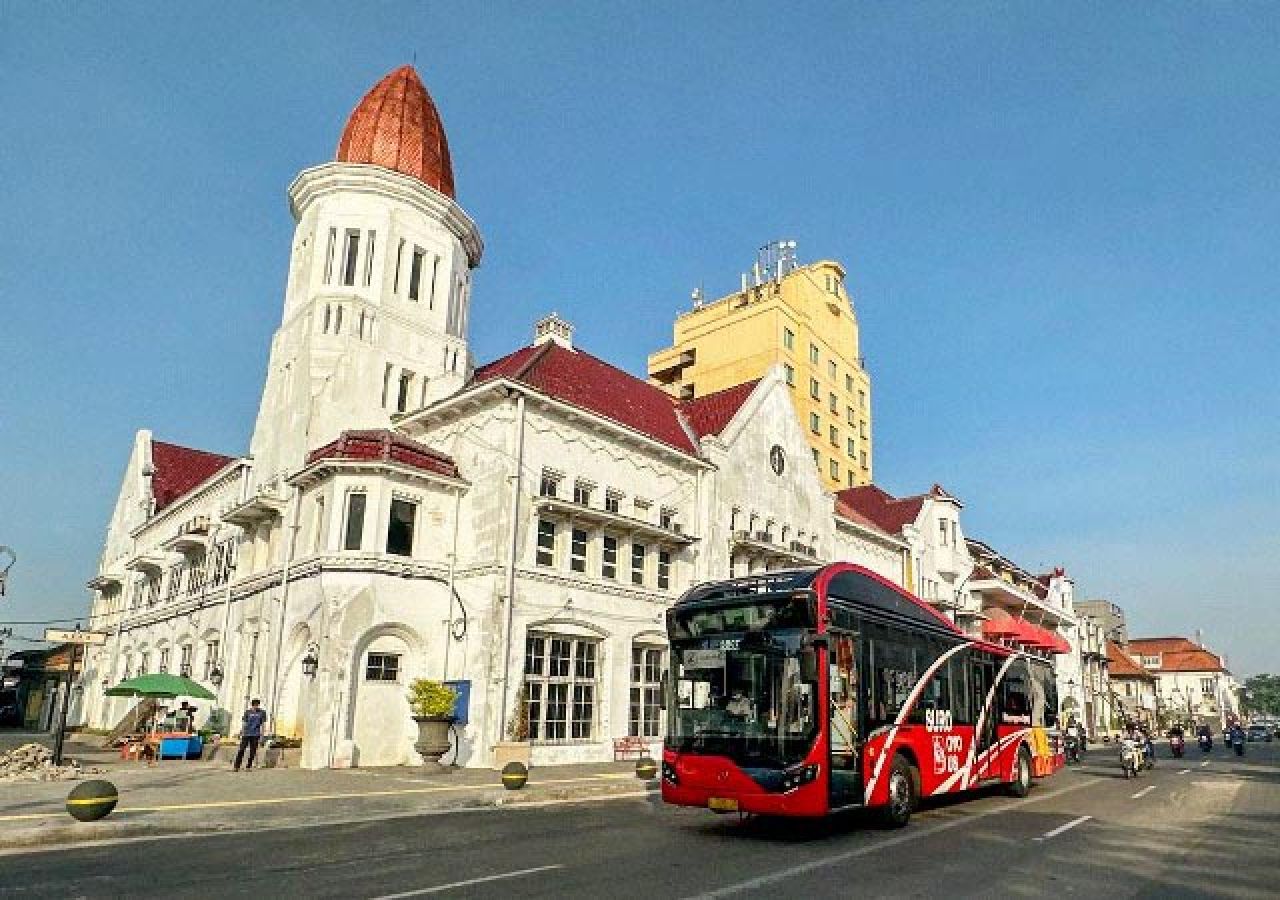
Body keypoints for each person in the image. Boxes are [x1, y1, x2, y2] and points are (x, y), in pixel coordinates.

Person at [234, 699, 267, 772]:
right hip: (246, 733)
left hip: (256, 734)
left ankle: (248, 766)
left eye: (257, 705)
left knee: (253, 751)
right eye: (254, 705)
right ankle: (236, 766)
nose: (255, 706)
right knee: (241, 749)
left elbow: (263, 724)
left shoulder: (262, 712)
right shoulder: (247, 712)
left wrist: (262, 735)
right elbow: (244, 723)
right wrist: (241, 732)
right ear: (252, 705)